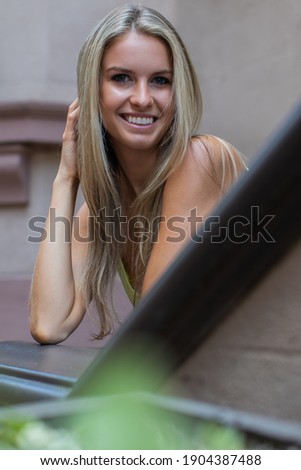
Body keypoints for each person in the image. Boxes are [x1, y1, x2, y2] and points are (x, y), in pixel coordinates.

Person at [29, 3, 246, 344]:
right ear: (92, 93)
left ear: (178, 92)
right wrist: (66, 179)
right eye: (121, 78)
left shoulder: (200, 159)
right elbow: (48, 324)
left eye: (160, 80)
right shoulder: (104, 209)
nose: (143, 98)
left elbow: (153, 321)